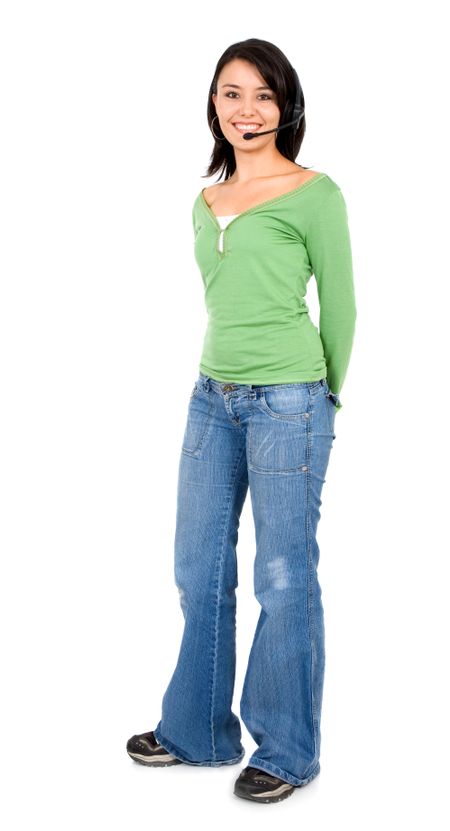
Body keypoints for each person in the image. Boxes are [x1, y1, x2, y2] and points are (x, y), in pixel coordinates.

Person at [127, 37, 357, 805]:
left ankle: (288, 749)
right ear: (214, 104)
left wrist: (326, 400)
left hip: (289, 398)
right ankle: (198, 729)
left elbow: (343, 307)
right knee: (198, 566)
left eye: (262, 95)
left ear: (285, 106)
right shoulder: (205, 199)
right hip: (210, 396)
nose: (246, 110)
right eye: (231, 93)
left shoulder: (316, 193)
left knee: (284, 575)